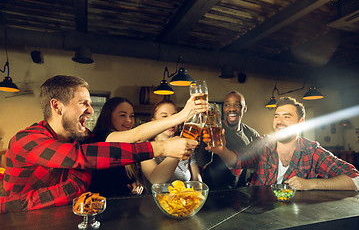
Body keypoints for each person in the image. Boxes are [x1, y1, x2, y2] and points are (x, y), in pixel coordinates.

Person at [0, 75, 206, 213]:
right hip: (19, 219)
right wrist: (161, 148)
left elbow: (134, 136)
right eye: (84, 103)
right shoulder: (26, 140)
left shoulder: (81, 137)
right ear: (57, 106)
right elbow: (80, 157)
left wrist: (182, 116)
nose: (90, 111)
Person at [208, 97, 359, 190]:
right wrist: (221, 150)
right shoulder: (263, 144)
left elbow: (356, 179)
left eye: (286, 117)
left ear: (300, 123)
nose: (279, 122)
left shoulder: (312, 151)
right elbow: (236, 160)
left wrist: (312, 184)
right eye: (276, 116)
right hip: (257, 215)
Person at [195, 91, 259, 190]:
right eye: (227, 105)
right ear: (223, 108)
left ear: (244, 108)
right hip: (213, 192)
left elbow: (257, 164)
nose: (232, 109)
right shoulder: (213, 130)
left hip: (239, 192)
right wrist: (204, 140)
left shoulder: (252, 134)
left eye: (237, 105)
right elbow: (201, 161)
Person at [89, 97, 144, 197]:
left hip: (119, 206)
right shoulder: (100, 135)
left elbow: (124, 179)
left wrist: (134, 185)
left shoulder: (127, 142)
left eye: (131, 116)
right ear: (108, 116)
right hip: (99, 205)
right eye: (122, 115)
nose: (129, 120)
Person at [141, 100, 202, 186]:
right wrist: (177, 151)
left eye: (175, 116)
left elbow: (197, 179)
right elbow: (156, 180)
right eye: (165, 116)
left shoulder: (185, 143)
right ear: (153, 121)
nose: (172, 121)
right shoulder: (145, 146)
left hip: (185, 198)